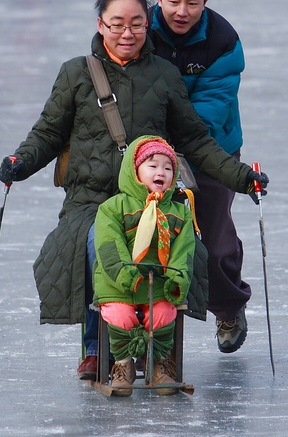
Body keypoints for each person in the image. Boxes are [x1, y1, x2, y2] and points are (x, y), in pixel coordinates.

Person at [0, 0, 268, 381]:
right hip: (90, 198)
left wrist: (243, 178)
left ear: (147, 25)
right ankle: (95, 347)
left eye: (137, 24)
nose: (127, 33)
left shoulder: (164, 74)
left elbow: (194, 139)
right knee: (97, 246)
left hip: (151, 197)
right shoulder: (76, 73)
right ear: (100, 24)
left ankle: (155, 348)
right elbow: (49, 133)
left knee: (173, 248)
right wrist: (20, 162)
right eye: (117, 24)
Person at [148, 0, 252, 354]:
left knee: (212, 234)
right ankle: (140, 331)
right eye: (173, 1)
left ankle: (228, 307)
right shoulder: (141, 30)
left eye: (193, 2)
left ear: (206, 2)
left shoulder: (221, 40)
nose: (182, 11)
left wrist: (174, 146)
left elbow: (212, 103)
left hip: (211, 147)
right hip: (147, 150)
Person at [93, 136, 199, 396]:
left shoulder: (180, 212)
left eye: (167, 167)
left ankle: (159, 363)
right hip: (120, 283)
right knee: (121, 316)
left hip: (160, 284)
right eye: (152, 166)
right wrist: (127, 276)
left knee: (163, 314)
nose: (160, 172)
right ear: (135, 171)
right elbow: (109, 247)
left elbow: (183, 251)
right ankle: (123, 364)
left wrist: (177, 280)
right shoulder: (113, 208)